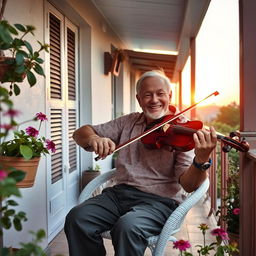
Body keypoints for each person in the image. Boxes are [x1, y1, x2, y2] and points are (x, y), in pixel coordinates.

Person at [64, 70, 217, 256]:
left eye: (160, 94)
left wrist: (200, 160)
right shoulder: (129, 121)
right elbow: (81, 133)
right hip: (118, 195)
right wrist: (94, 139)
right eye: (147, 95)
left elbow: (189, 184)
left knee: (128, 227)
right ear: (138, 99)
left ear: (169, 96)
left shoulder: (183, 130)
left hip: (159, 203)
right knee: (77, 218)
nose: (154, 100)